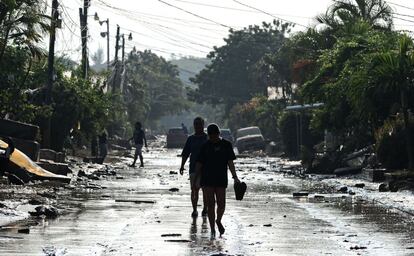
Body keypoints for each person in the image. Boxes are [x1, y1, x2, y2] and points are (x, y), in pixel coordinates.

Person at [195, 123, 240, 239]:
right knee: (210, 205)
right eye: (211, 136)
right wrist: (195, 180)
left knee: (221, 204)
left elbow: (230, 163)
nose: (213, 138)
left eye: (215, 136)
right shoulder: (205, 146)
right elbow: (199, 164)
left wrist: (235, 178)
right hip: (207, 180)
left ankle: (218, 220)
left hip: (221, 179)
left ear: (218, 134)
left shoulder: (226, 145)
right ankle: (213, 230)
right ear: (208, 136)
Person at [180, 117, 208, 218]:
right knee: (194, 190)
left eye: (199, 124)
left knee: (205, 191)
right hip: (193, 168)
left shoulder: (207, 138)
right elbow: (186, 153)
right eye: (195, 124)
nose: (197, 126)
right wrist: (182, 166)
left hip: (206, 169)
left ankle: (205, 208)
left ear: (203, 125)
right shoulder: (191, 139)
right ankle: (195, 209)